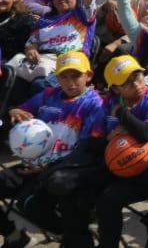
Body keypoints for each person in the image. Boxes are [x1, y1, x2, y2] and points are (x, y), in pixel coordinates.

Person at [2, 52, 106, 247]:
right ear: (57, 77)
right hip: (32, 164)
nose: (70, 82)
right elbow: (22, 111)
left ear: (89, 75)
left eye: (76, 76)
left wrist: (48, 166)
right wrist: (13, 111)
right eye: (64, 76)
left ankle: (76, 233)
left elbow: (85, 149)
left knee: (28, 204)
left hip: (62, 171)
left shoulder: (94, 104)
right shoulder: (49, 94)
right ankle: (15, 236)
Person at [93, 55, 148, 248]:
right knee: (95, 195)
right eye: (127, 83)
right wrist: (109, 138)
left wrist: (122, 114)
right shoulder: (108, 103)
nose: (136, 84)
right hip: (123, 166)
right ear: (115, 89)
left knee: (112, 199)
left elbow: (147, 133)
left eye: (137, 77)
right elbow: (94, 138)